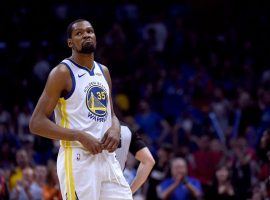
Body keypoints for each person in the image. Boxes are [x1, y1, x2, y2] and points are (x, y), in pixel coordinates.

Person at [29, 19, 132, 200]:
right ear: (70, 43)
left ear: (96, 37)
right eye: (79, 33)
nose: (86, 34)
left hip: (107, 159)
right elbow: (36, 123)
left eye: (90, 31)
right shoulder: (62, 73)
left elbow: (111, 114)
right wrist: (79, 135)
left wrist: (115, 128)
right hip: (78, 159)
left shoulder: (104, 71)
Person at [115, 125, 155, 194]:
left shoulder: (93, 126)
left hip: (93, 183)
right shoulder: (127, 130)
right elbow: (149, 161)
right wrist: (129, 193)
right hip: (114, 189)